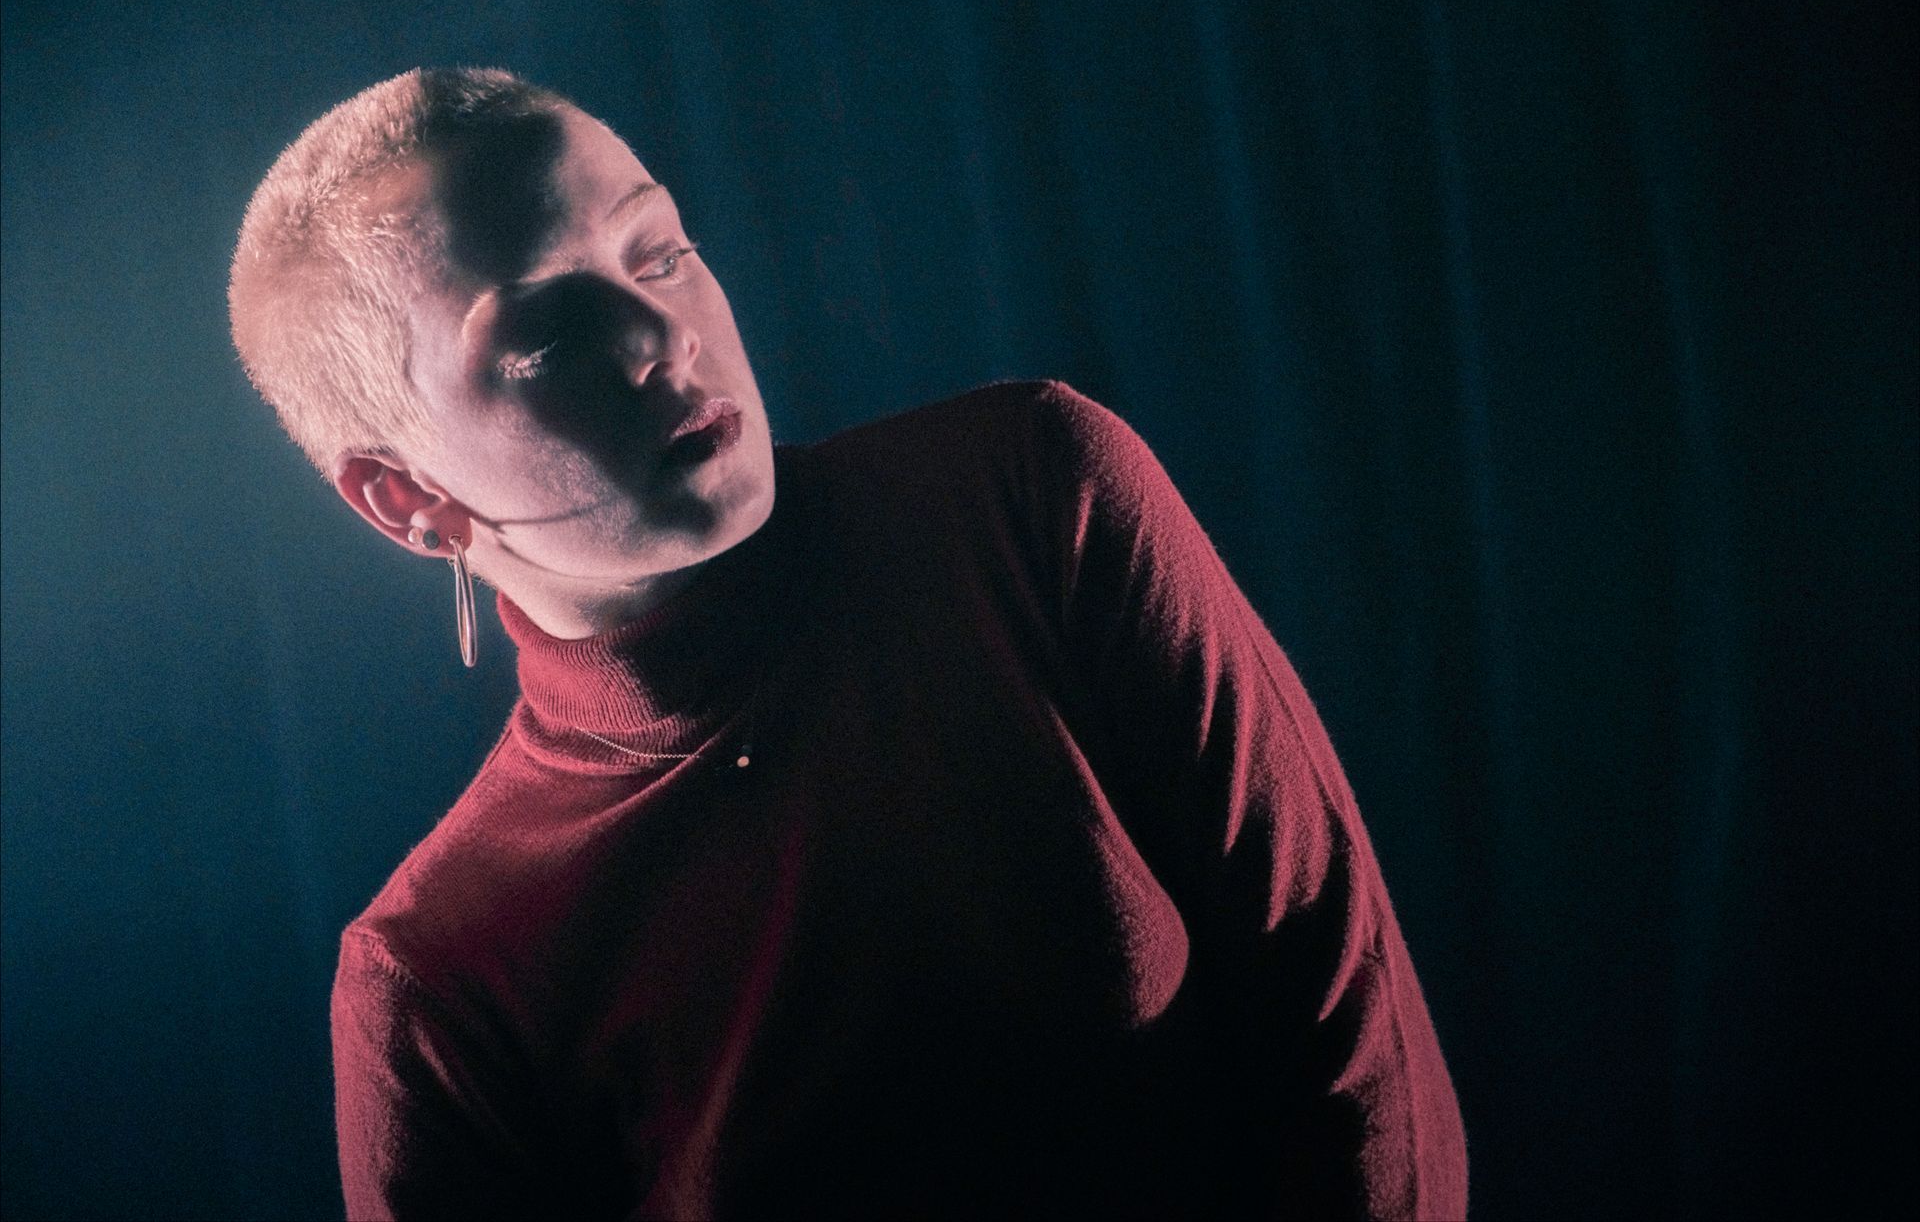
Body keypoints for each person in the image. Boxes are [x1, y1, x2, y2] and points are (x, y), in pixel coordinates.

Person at [229, 67, 1469, 1221]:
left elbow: (1351, 1045)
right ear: (406, 496)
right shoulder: (439, 978)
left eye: (661, 251)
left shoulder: (1032, 495)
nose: (663, 335)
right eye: (549, 334)